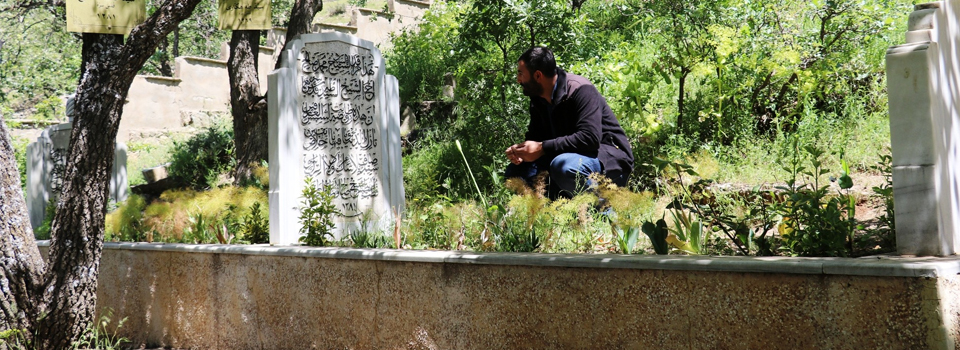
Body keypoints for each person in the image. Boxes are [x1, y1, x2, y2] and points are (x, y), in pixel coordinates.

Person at [505, 46, 634, 198]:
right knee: (515, 172)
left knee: (564, 166)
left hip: (606, 158)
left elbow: (590, 138)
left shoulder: (580, 89)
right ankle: (551, 212)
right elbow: (536, 137)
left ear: (538, 75)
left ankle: (604, 211)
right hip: (568, 158)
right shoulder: (538, 98)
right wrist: (522, 152)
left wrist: (542, 147)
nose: (518, 80)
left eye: (521, 74)